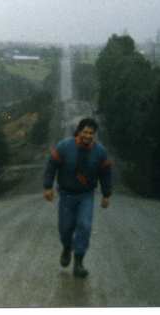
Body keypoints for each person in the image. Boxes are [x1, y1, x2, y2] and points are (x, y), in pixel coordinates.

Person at [43, 118, 112, 278]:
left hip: (86, 195)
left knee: (84, 226)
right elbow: (52, 164)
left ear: (94, 134)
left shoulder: (99, 152)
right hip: (66, 194)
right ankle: (67, 248)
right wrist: (48, 186)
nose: (88, 135)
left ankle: (79, 262)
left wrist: (106, 194)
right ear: (79, 132)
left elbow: (106, 173)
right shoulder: (65, 146)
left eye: (91, 133)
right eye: (85, 132)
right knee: (65, 227)